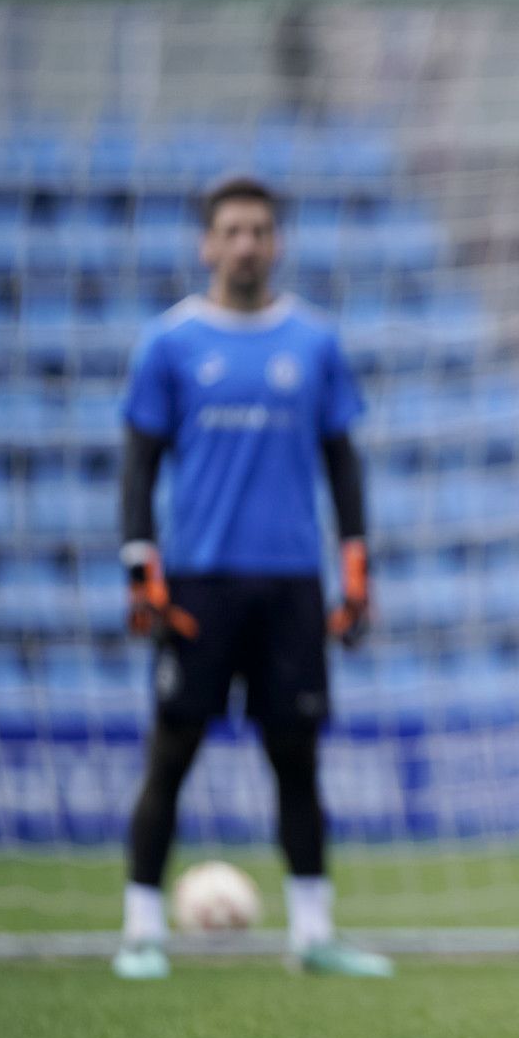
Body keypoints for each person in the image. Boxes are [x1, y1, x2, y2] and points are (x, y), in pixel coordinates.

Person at [111, 175, 391, 980]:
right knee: (172, 754)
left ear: (276, 243)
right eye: (231, 230)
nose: (246, 244)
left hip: (290, 585)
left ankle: (312, 935)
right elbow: (139, 466)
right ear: (208, 243)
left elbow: (342, 462)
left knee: (297, 759)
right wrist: (141, 565)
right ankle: (139, 930)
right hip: (198, 584)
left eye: (259, 230)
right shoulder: (169, 343)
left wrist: (356, 564)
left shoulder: (313, 342)